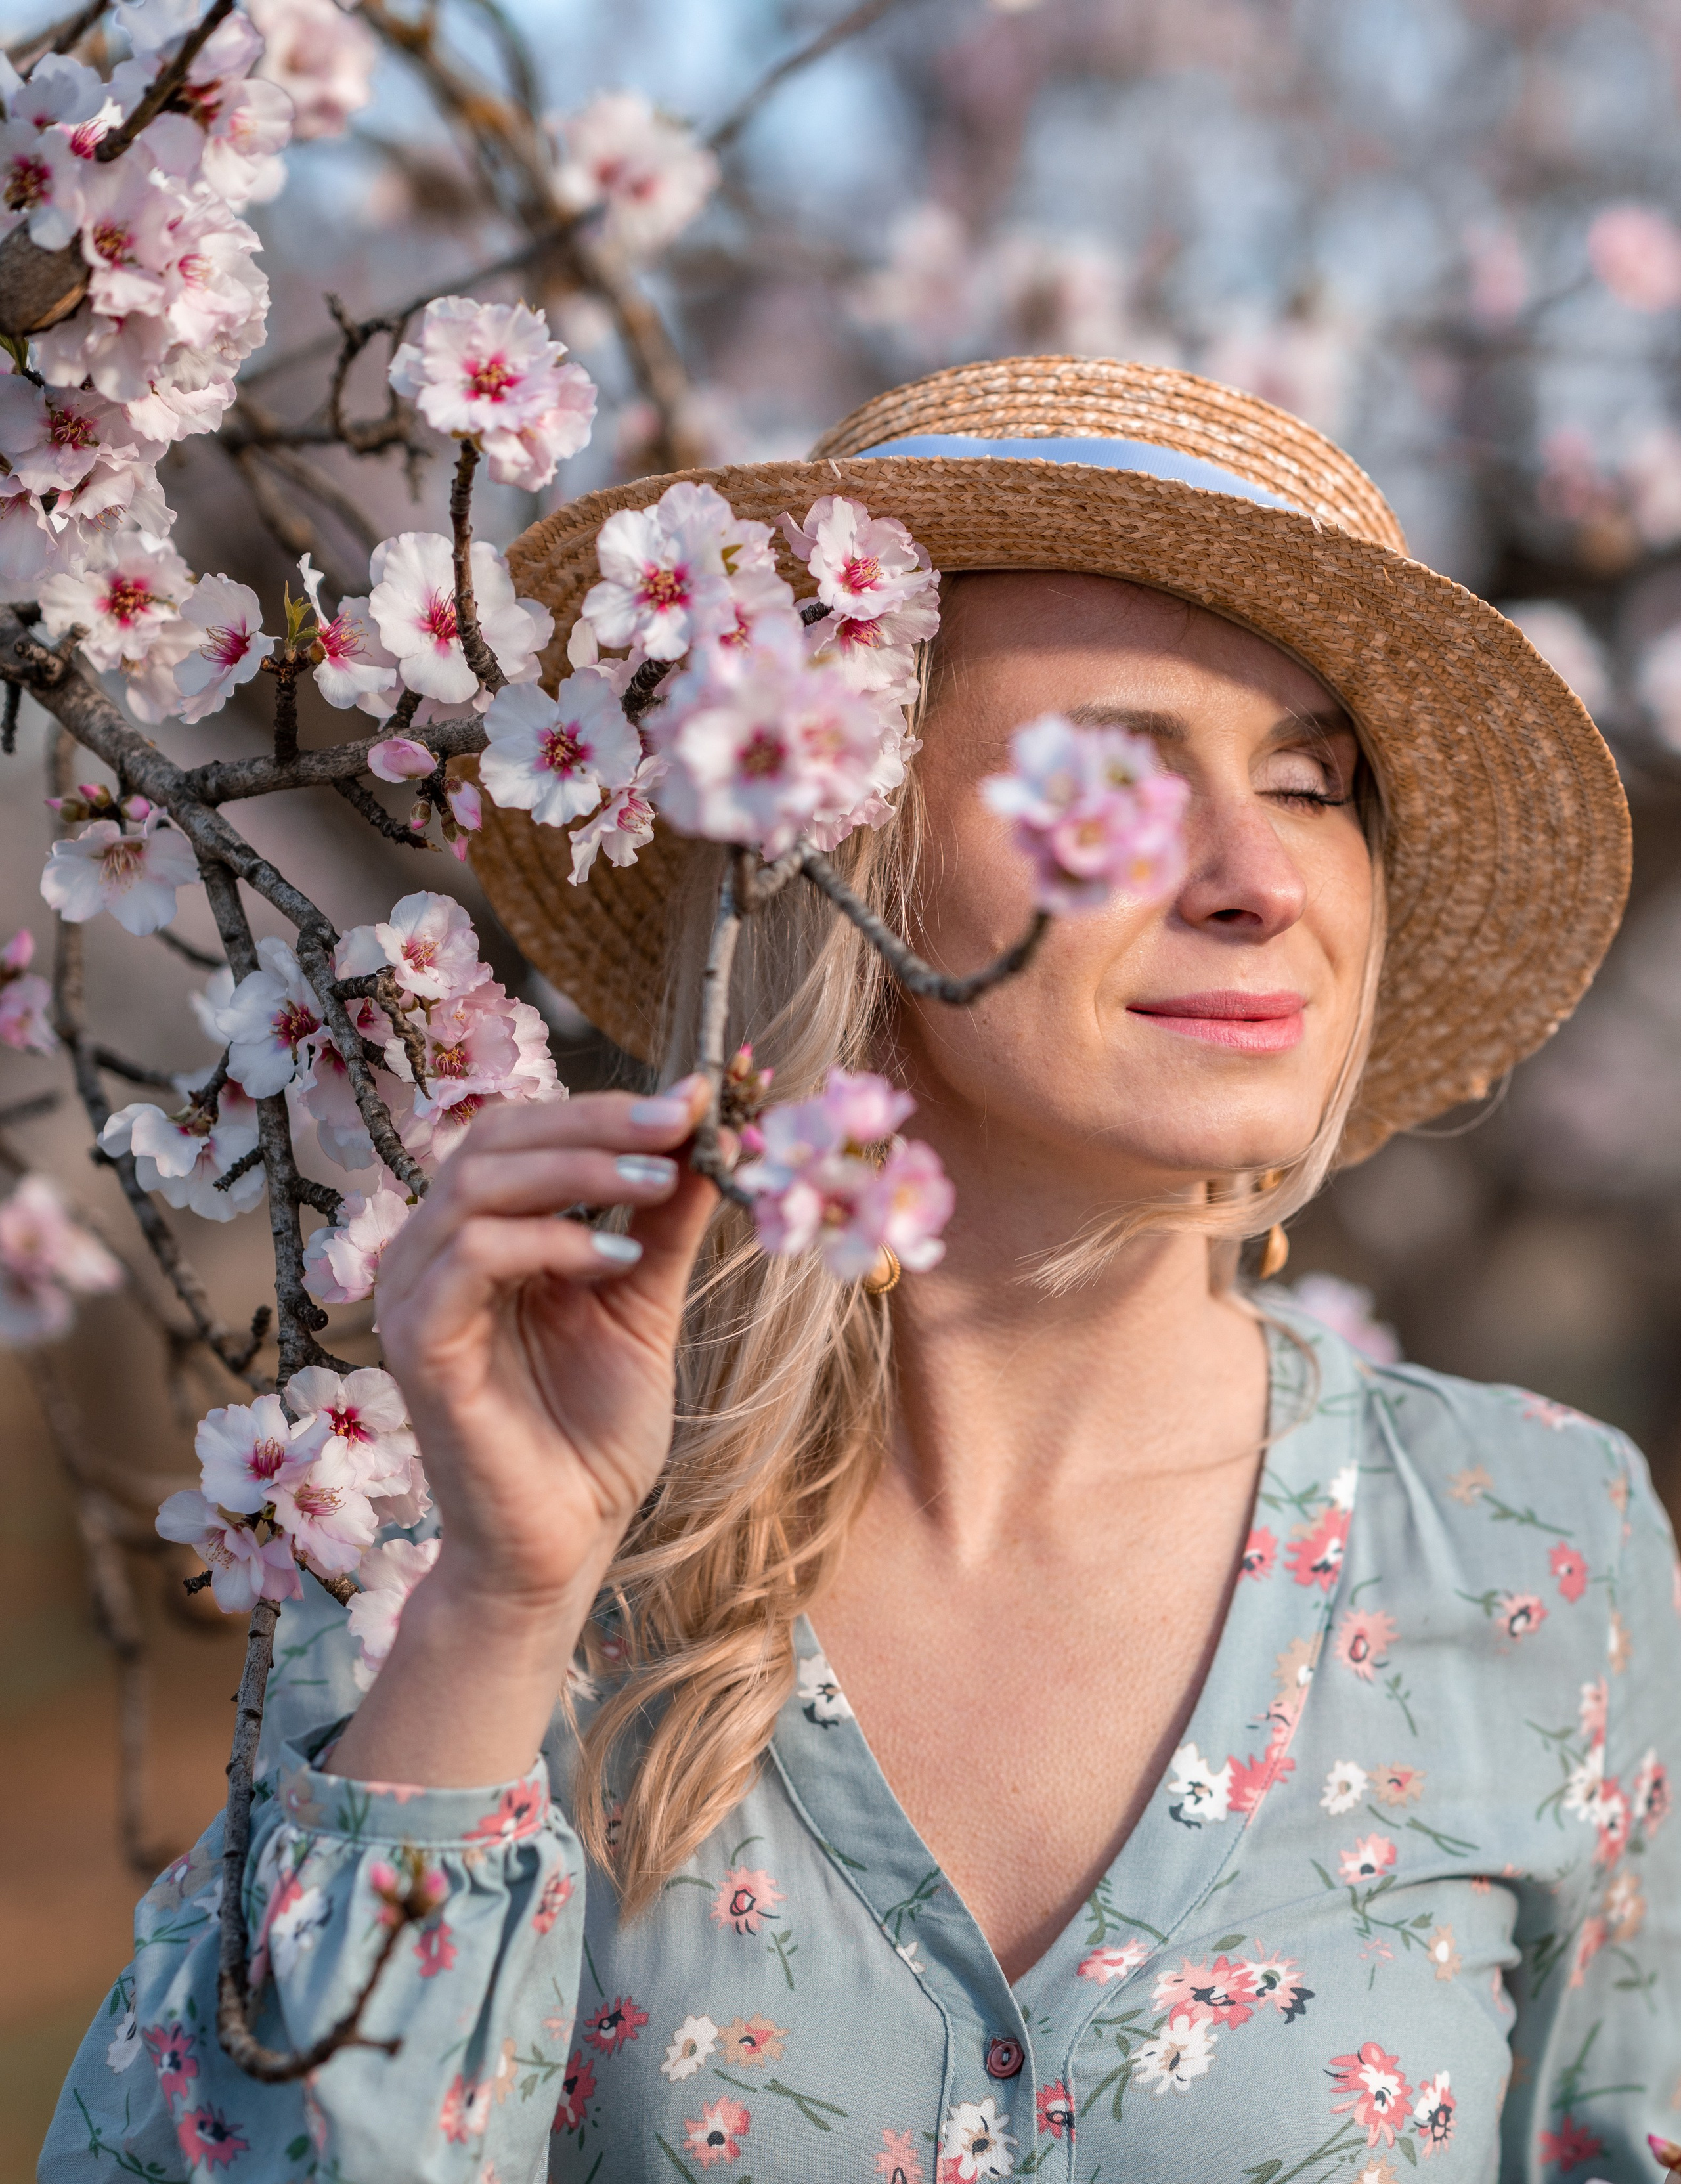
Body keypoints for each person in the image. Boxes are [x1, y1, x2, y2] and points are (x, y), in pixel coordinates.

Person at [44, 358, 1678, 2184]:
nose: (1256, 879)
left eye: (1312, 787)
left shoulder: (1540, 1548)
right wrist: (501, 1613)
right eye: (1112, 780)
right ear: (845, 847)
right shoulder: (491, 1551)